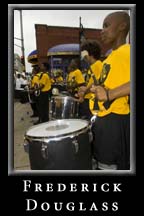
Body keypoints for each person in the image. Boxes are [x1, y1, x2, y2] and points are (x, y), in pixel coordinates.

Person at [90, 11, 130, 170]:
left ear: (122, 26)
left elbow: (110, 93)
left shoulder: (128, 51)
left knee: (109, 167)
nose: (102, 31)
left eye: (106, 26)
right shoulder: (111, 57)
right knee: (101, 164)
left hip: (116, 121)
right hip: (103, 119)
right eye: (102, 27)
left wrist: (109, 94)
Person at [77, 40, 103, 120]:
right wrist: (84, 88)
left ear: (90, 54)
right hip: (89, 99)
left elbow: (95, 84)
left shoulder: (97, 65)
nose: (83, 57)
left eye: (84, 54)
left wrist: (84, 91)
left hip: (94, 102)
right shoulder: (93, 66)